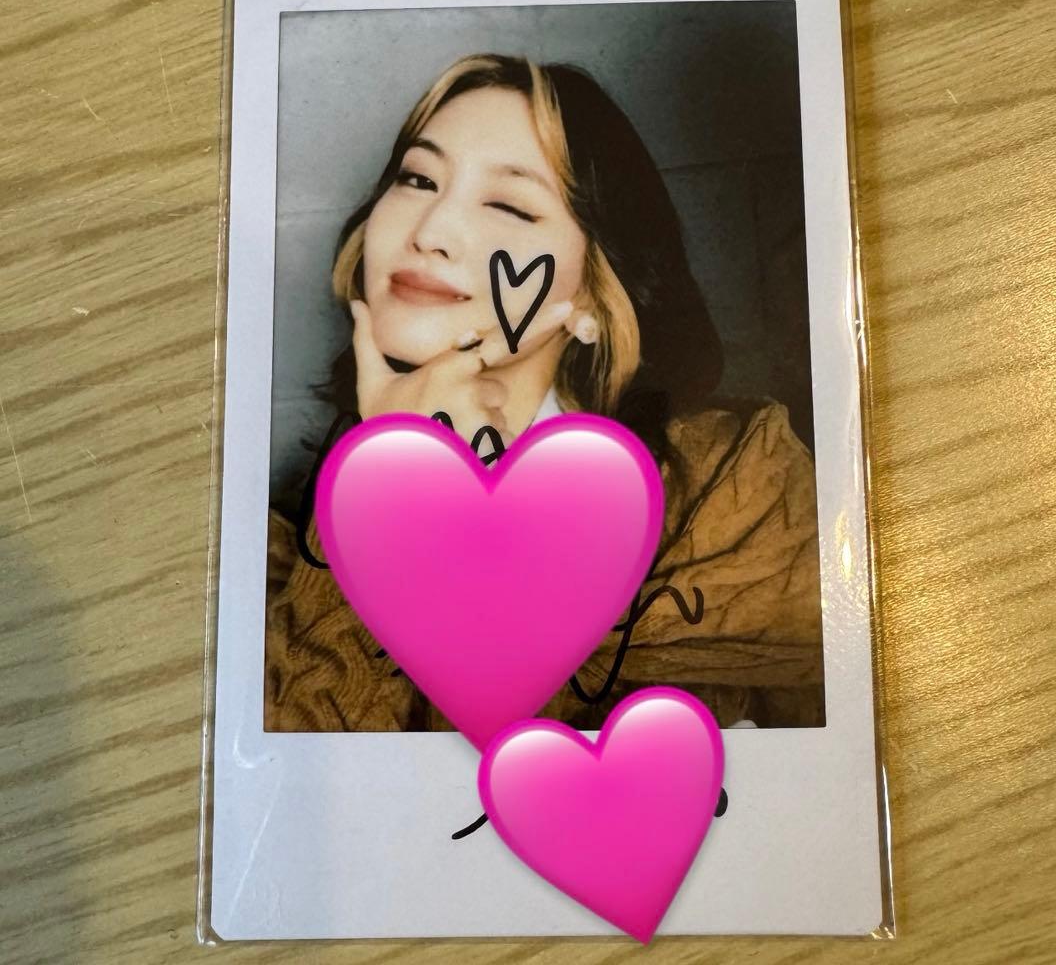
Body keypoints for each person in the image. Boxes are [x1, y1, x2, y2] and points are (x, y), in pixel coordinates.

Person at [264, 52, 825, 739]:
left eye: (508, 204)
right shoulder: (275, 553)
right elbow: (305, 782)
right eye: (417, 179)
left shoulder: (737, 493)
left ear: (593, 289)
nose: (429, 233)